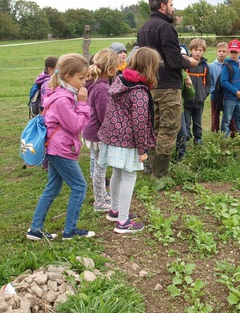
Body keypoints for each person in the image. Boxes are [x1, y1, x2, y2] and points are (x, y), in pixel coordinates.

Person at [26, 53, 94, 241]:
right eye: (81, 78)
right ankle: (70, 230)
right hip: (60, 149)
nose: (84, 82)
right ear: (67, 77)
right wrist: (82, 104)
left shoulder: (59, 93)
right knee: (79, 187)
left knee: (52, 188)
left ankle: (35, 229)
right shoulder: (63, 99)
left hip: (55, 147)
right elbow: (76, 126)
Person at [97, 47, 160, 233]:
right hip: (127, 141)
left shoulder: (120, 81)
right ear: (150, 68)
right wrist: (142, 150)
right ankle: (123, 222)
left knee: (117, 173)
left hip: (113, 137)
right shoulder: (139, 91)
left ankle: (115, 211)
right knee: (129, 176)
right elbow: (140, 123)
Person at [137, 0, 198, 179]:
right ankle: (160, 175)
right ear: (163, 6)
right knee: (168, 129)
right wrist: (189, 62)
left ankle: (151, 167)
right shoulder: (165, 28)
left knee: (154, 127)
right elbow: (172, 60)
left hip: (150, 86)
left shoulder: (143, 29)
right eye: (171, 4)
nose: (173, 8)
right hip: (168, 86)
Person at [81, 49, 117, 212]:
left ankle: (102, 193)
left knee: (98, 165)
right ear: (109, 69)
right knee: (100, 168)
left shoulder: (93, 83)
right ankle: (99, 201)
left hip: (91, 131)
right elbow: (104, 115)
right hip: (98, 134)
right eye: (116, 66)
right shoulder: (102, 88)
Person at [183, 38, 211, 145]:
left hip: (199, 101)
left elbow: (209, 83)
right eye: (195, 50)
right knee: (186, 123)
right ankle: (184, 142)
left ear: (203, 51)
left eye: (200, 50)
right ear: (191, 50)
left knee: (198, 123)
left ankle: (198, 140)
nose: (198, 52)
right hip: (187, 101)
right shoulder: (186, 65)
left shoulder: (205, 66)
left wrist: (204, 94)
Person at [220, 39, 240, 138]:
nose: (233, 54)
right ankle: (224, 138)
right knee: (226, 119)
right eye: (231, 52)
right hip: (229, 98)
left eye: (235, 52)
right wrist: (236, 91)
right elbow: (224, 82)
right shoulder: (226, 65)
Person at [175, 45, 195, 161]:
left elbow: (190, 95)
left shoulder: (185, 74)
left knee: (183, 134)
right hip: (171, 107)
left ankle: (180, 157)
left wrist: (188, 87)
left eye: (185, 57)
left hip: (180, 108)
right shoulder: (172, 73)